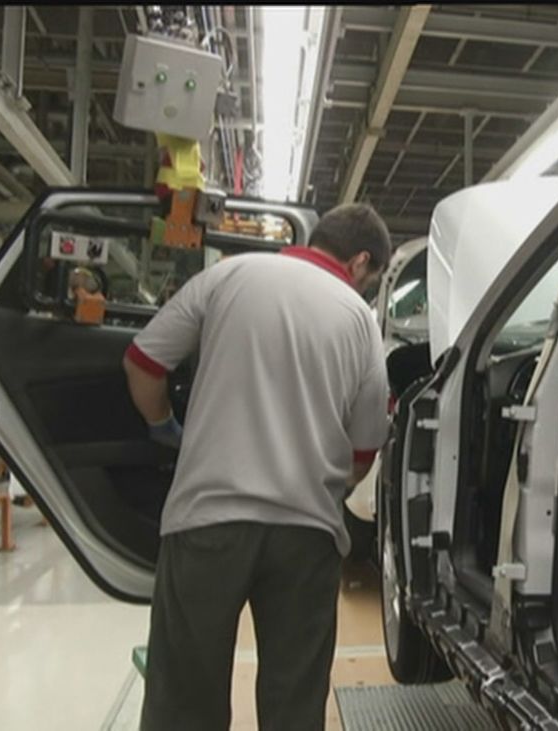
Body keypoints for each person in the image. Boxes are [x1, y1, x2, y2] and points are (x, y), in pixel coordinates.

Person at [123, 203, 392, 730]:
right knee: (295, 704)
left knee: (183, 704)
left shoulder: (227, 275)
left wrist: (165, 427)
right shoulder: (360, 319)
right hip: (306, 534)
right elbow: (365, 448)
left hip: (206, 520)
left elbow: (143, 363)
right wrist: (329, 481)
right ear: (360, 262)